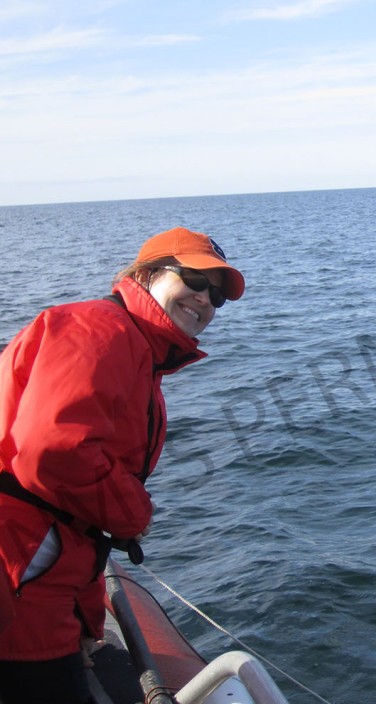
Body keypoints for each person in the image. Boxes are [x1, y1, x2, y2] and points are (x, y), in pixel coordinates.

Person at [0, 227, 245, 704]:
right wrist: (134, 514)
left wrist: (87, 621)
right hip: (19, 577)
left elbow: (75, 516)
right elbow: (54, 451)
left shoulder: (132, 349)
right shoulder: (101, 331)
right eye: (194, 278)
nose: (205, 299)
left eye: (217, 295)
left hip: (39, 573)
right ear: (149, 274)